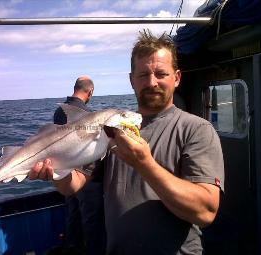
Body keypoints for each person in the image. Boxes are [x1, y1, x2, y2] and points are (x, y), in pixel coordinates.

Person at [29, 30, 224, 255]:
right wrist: (55, 172)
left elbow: (206, 212)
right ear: (131, 80)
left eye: (161, 73)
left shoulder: (197, 129)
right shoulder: (112, 127)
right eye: (143, 75)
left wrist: (144, 164)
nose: (152, 82)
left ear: (177, 78)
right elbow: (74, 185)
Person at [53, 76, 106, 255]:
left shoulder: (60, 110)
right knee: (92, 220)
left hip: (66, 173)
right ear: (90, 92)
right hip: (85, 176)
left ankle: (73, 248)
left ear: (74, 87)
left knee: (73, 214)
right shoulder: (86, 115)